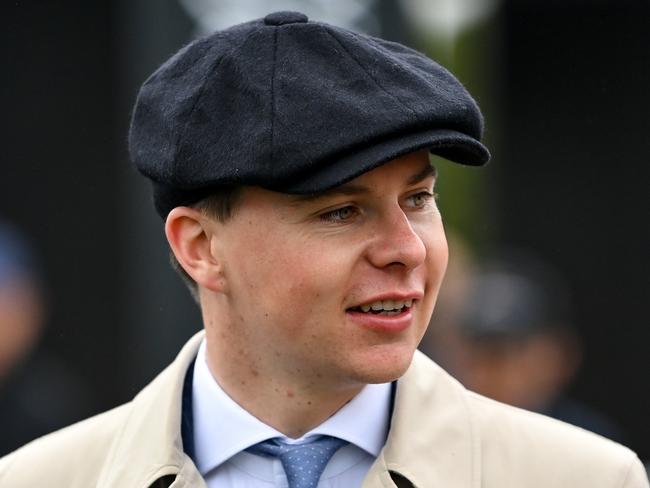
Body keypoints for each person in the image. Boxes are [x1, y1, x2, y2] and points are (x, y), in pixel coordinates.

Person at [0, 11, 647, 488]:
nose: (406, 249)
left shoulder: (585, 478)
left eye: (419, 199)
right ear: (200, 247)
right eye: (341, 211)